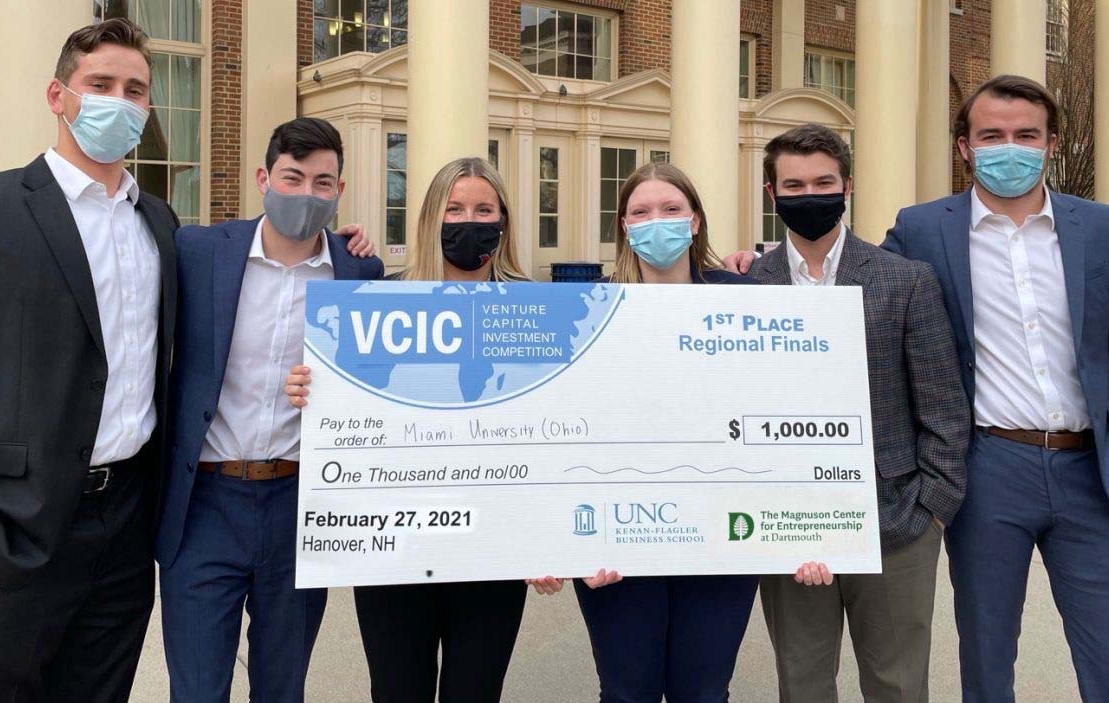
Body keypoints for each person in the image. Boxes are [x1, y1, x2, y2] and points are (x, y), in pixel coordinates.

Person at [725, 75, 1109, 702]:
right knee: (985, 654)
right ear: (965, 146)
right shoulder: (924, 231)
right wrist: (743, 269)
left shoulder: (1101, 227)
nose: (1010, 148)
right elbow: (849, 283)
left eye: (1026, 135)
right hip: (990, 466)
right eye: (992, 135)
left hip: (1094, 469)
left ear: (1051, 144)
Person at [0, 19, 172, 702]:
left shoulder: (157, 224)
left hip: (125, 533)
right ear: (58, 95)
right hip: (9, 531)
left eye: (135, 90)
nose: (119, 101)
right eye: (99, 84)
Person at [285, 156, 530, 702]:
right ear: (428, 220)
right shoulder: (380, 303)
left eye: (484, 209)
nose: (471, 221)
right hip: (393, 551)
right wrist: (312, 389)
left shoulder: (536, 310)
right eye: (455, 209)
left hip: (492, 553)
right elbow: (347, 408)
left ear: (505, 220)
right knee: (397, 692)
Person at [156, 117, 382, 703]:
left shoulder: (360, 272)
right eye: (293, 177)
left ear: (339, 192)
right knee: (198, 689)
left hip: (299, 506)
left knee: (282, 688)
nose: (307, 194)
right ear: (264, 177)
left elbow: (378, 386)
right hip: (206, 503)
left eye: (324, 183)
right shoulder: (198, 251)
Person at [748, 123, 969, 702]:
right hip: (785, 527)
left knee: (897, 686)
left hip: (894, 523)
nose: (809, 194)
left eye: (824, 181)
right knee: (803, 685)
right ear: (771, 195)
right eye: (793, 185)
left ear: (847, 186)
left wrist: (933, 510)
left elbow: (943, 406)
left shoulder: (905, 280)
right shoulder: (746, 285)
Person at [528, 162, 759, 703]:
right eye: (642, 212)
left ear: (696, 220)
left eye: (672, 209)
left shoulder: (744, 297)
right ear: (625, 227)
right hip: (616, 541)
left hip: (720, 536)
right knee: (627, 690)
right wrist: (551, 539)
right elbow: (550, 429)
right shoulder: (583, 313)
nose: (658, 221)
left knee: (704, 691)